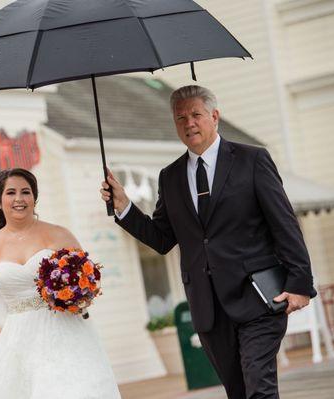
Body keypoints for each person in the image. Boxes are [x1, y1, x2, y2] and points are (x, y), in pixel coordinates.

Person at [101, 85, 316, 399]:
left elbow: (284, 224)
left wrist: (300, 283)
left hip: (258, 298)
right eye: (181, 118)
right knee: (239, 391)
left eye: (196, 115)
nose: (189, 123)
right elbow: (161, 239)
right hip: (208, 307)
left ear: (214, 116)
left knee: (259, 387)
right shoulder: (170, 177)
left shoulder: (251, 160)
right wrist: (124, 207)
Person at [0, 168, 120, 399]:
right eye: (11, 192)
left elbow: (87, 278)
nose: (19, 199)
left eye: (26, 192)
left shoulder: (59, 235)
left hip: (64, 332)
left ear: (34, 197)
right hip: (15, 338)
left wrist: (77, 297)